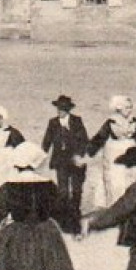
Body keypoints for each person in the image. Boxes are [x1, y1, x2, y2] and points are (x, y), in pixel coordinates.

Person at [87, 95, 136, 207]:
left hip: (130, 157)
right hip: (114, 157)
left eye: (130, 107)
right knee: (114, 185)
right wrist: (89, 152)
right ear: (119, 108)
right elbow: (99, 138)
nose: (129, 110)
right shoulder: (111, 122)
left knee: (130, 184)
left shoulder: (134, 121)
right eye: (126, 107)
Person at [41, 95, 90, 236]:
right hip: (60, 161)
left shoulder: (76, 121)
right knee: (62, 191)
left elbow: (84, 140)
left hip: (75, 161)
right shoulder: (53, 123)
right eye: (58, 108)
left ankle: (75, 214)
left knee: (76, 190)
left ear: (68, 110)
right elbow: (47, 140)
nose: (60, 111)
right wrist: (41, 155)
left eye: (63, 109)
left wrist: (79, 155)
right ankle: (65, 218)